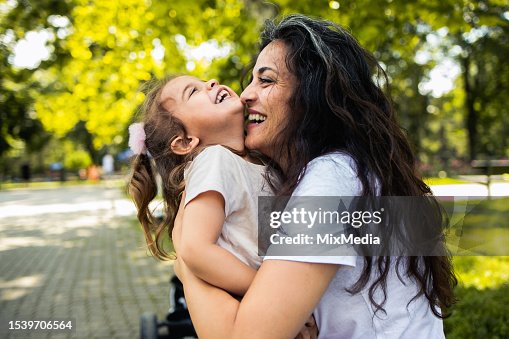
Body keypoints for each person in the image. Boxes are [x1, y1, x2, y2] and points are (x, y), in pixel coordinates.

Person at [173, 14, 457, 338]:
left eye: (266, 80)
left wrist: (187, 254)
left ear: (313, 95)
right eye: (250, 80)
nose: (245, 95)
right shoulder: (340, 172)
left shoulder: (333, 179)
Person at [127, 75, 317, 337]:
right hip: (252, 307)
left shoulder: (259, 163)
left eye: (204, 82)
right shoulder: (214, 160)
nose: (212, 82)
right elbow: (195, 249)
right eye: (193, 92)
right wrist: (271, 294)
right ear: (185, 142)